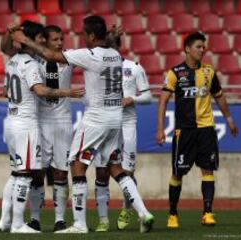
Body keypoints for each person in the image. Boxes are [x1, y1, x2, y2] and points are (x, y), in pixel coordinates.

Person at [11, 15, 155, 234]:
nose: (82, 38)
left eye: (84, 34)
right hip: (116, 118)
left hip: (95, 120)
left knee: (76, 165)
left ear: (91, 35)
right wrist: (111, 37)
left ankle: (79, 224)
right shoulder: (115, 55)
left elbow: (50, 55)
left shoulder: (89, 55)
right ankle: (144, 213)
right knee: (116, 167)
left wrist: (23, 38)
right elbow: (100, 47)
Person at [0, 20, 84, 234]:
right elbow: (40, 90)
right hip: (34, 122)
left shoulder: (64, 58)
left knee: (55, 173)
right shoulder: (34, 61)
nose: (57, 42)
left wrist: (13, 35)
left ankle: (56, 220)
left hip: (56, 123)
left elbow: (7, 51)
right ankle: (28, 220)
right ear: (37, 40)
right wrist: (68, 92)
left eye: (59, 39)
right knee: (30, 174)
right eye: (51, 38)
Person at [156, 32, 238, 229]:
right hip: (184, 131)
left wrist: (229, 119)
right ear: (187, 49)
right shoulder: (175, 73)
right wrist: (160, 129)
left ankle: (207, 213)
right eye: (198, 47)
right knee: (177, 173)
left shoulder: (209, 72)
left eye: (204, 47)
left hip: (207, 129)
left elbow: (219, 96)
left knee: (208, 169)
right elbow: (163, 101)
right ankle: (173, 214)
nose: (203, 50)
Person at [93, 35, 153, 232]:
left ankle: (127, 209)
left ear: (117, 47)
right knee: (102, 171)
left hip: (126, 123)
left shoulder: (133, 67)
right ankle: (103, 219)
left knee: (127, 171)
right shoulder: (98, 68)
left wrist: (132, 99)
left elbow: (148, 95)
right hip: (105, 124)